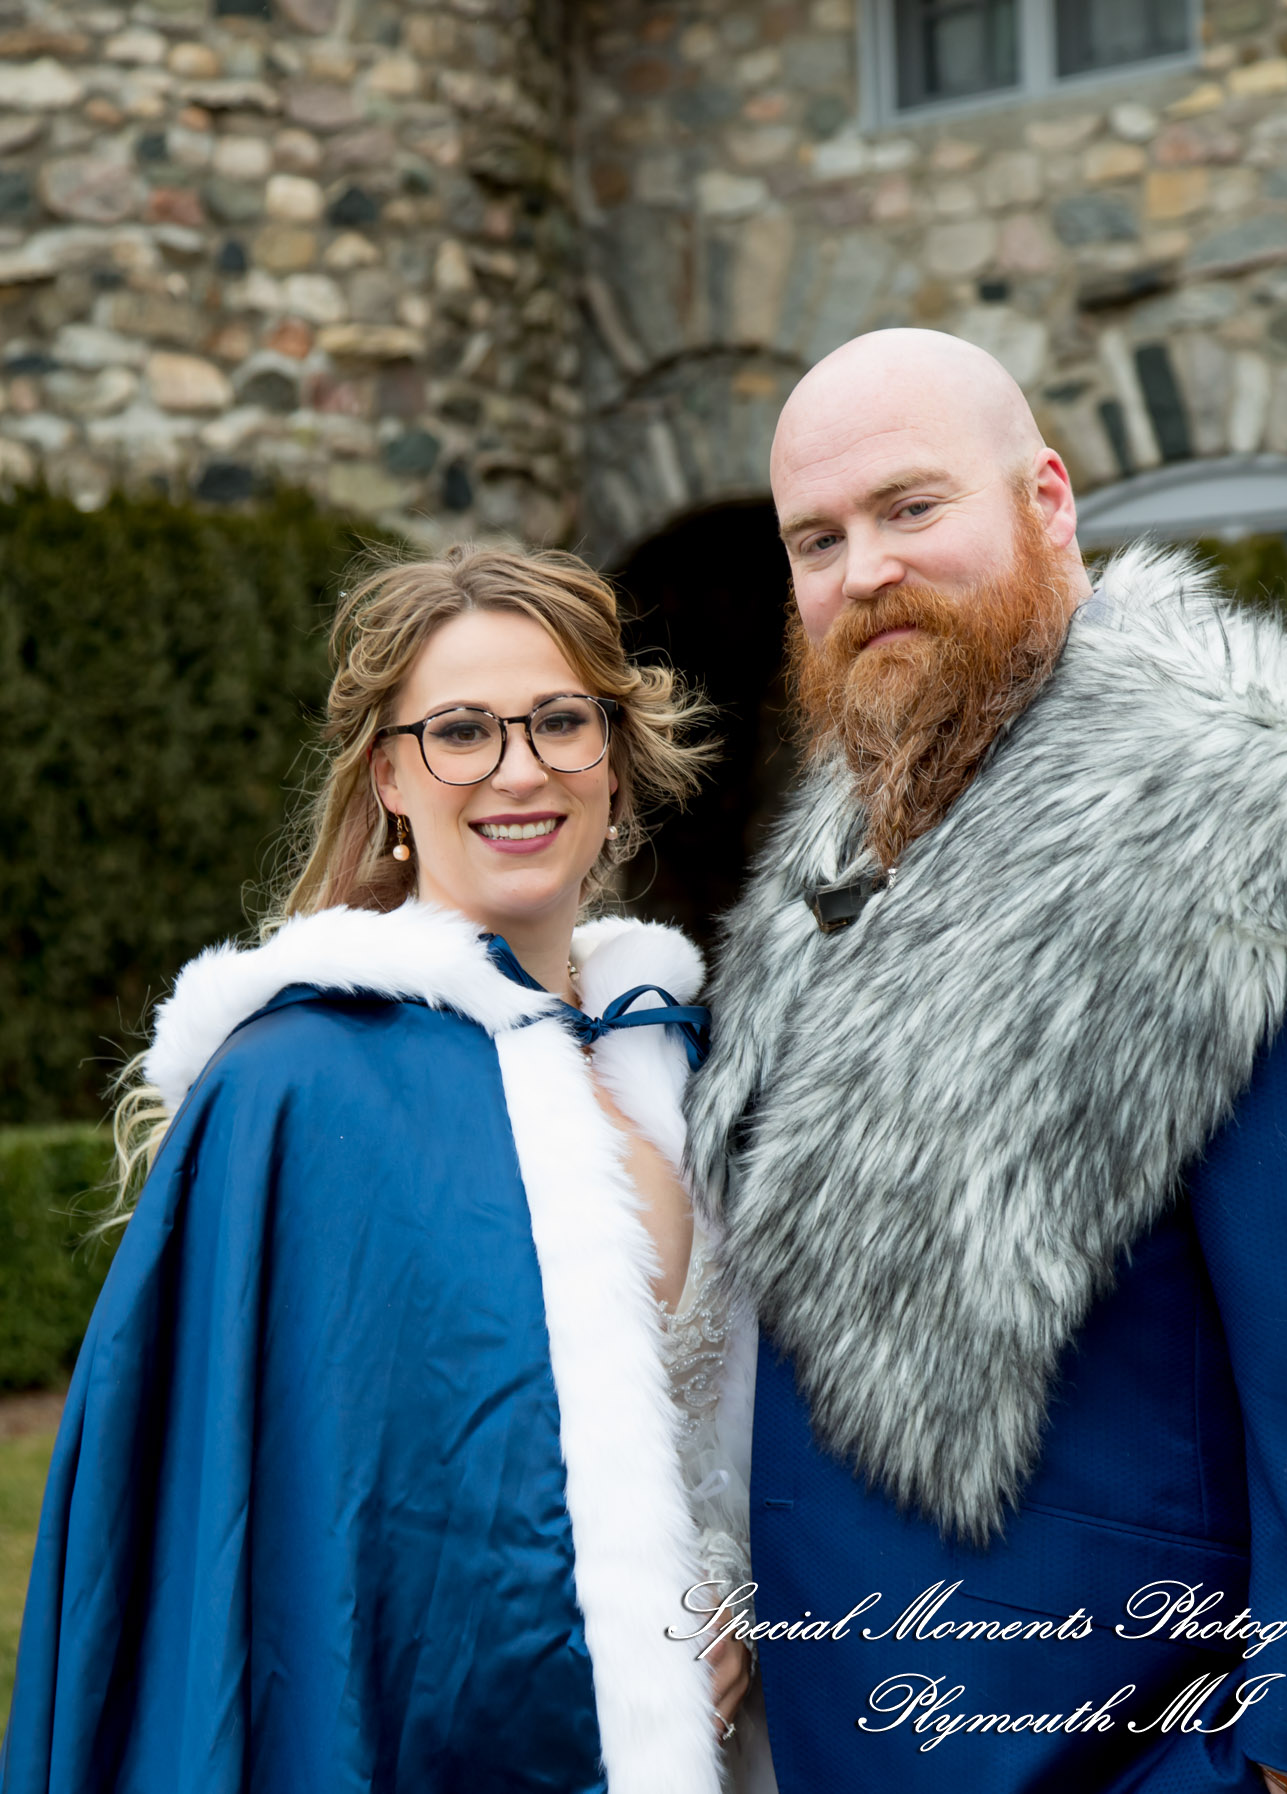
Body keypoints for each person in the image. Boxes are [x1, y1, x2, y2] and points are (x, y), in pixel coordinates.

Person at [686, 328, 1287, 1794]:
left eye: (910, 506)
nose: (865, 568)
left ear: (1047, 502)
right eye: (818, 538)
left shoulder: (1269, 830)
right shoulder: (845, 854)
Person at [3, 544, 757, 1794]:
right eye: (460, 731)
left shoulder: (693, 1068)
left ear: (616, 759)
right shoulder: (294, 1091)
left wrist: (745, 1610)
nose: (519, 768)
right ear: (390, 776)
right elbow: (292, 1541)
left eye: (560, 720)